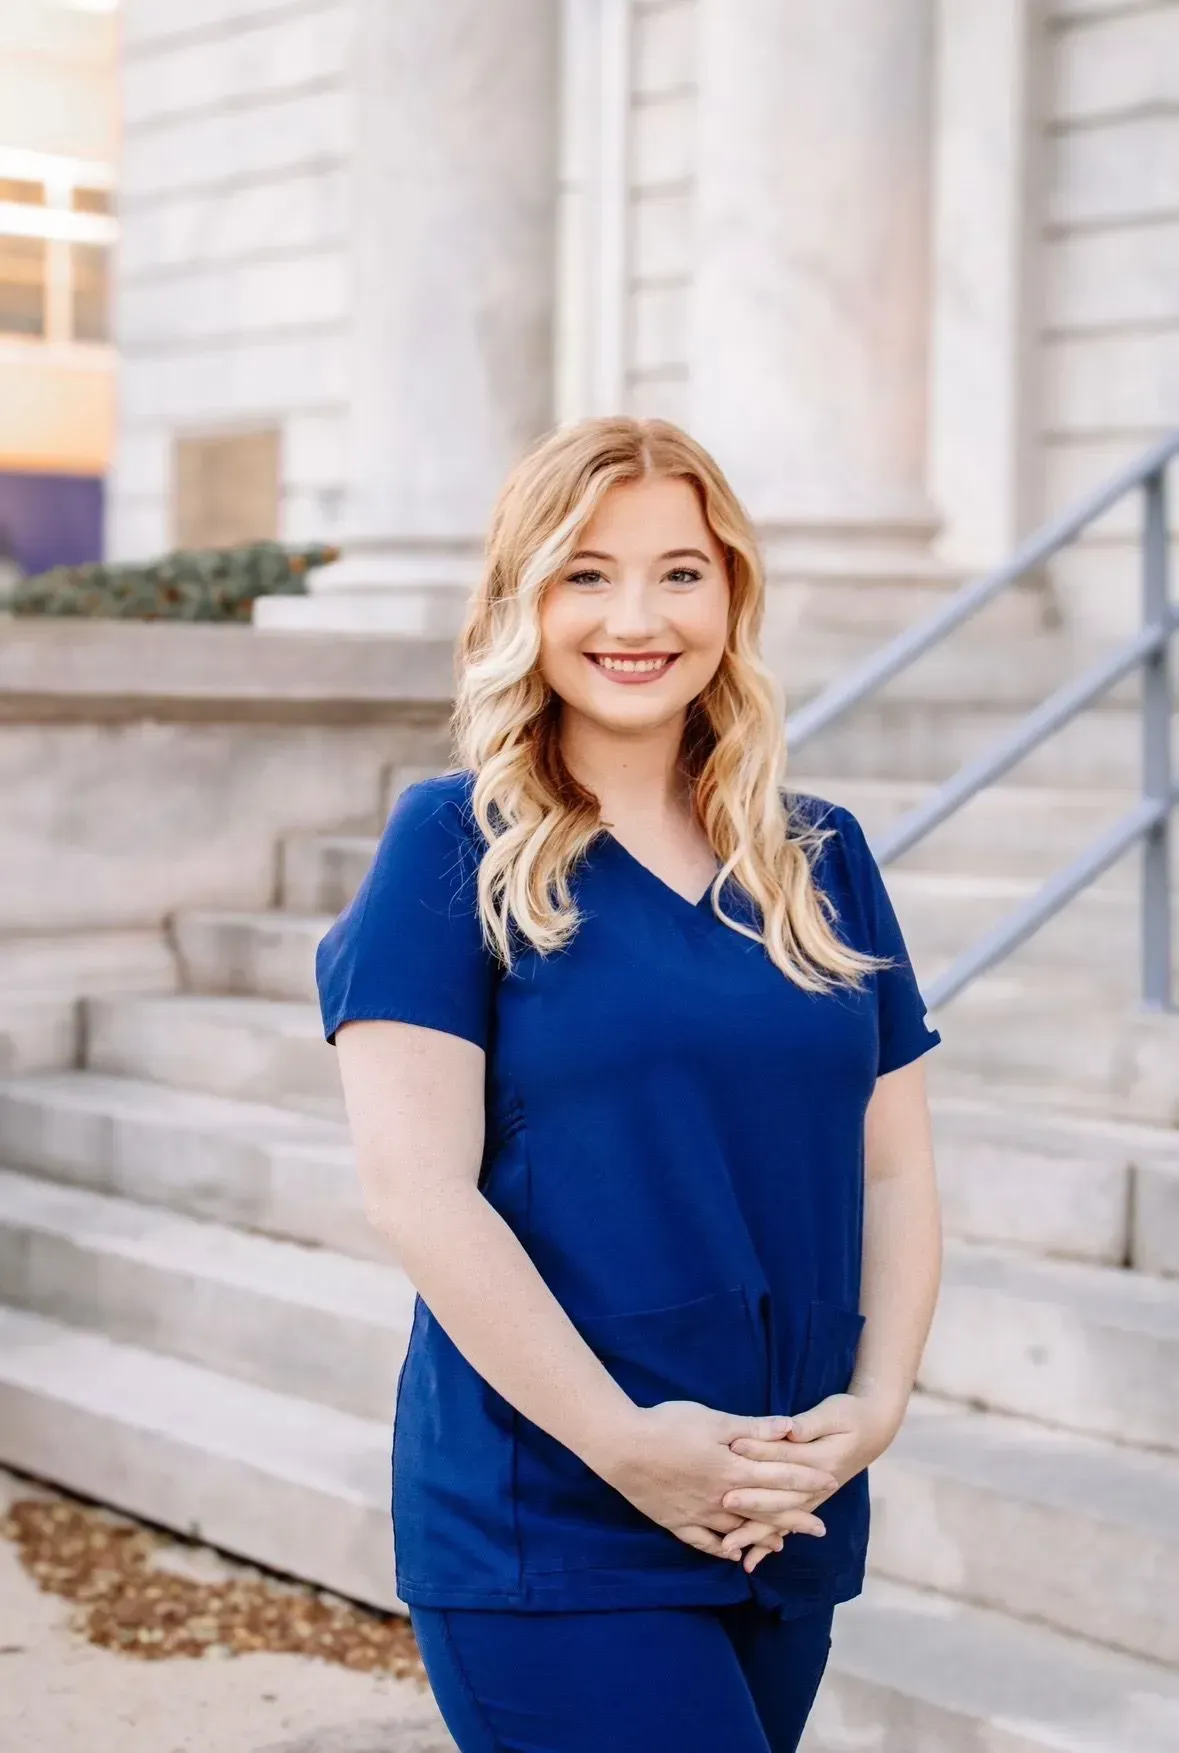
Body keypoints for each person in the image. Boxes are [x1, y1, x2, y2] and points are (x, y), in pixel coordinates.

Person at [315, 416, 943, 1753]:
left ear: (731, 593)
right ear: (520, 601)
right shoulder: (455, 845)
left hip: (784, 1505)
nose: (636, 616)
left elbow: (892, 1167)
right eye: (585, 573)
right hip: (555, 1508)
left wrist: (871, 1410)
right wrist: (625, 1443)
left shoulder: (815, 856)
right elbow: (413, 1193)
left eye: (679, 570)